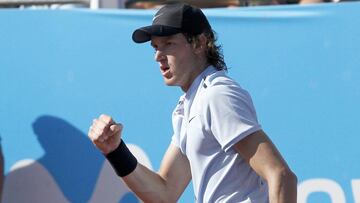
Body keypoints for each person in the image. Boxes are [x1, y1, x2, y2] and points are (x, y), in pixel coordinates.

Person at [88, 2, 297, 202]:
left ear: (200, 43)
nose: (158, 56)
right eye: (155, 47)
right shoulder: (188, 105)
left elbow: (281, 175)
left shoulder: (217, 96)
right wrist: (115, 151)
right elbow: (164, 193)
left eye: (168, 44)